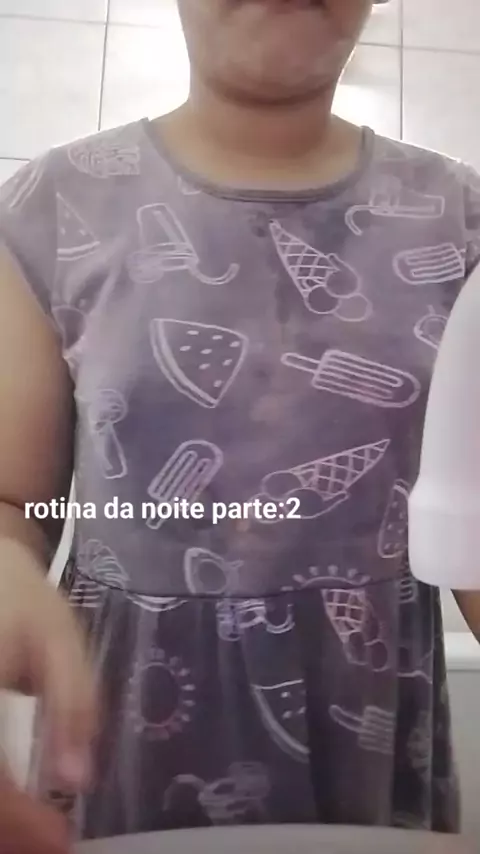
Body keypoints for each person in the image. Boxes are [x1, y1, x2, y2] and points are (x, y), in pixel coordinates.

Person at [1, 0, 480, 843]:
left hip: (372, 704)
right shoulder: (50, 205)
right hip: (127, 712)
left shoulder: (462, 217)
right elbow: (11, 503)